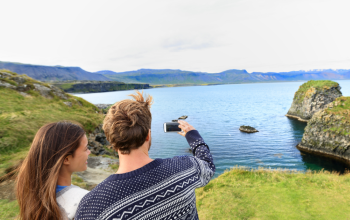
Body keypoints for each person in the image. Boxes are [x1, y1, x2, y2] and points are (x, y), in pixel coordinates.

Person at [75, 91, 215, 220]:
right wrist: (193, 136)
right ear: (148, 135)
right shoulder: (184, 168)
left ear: (111, 141)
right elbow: (207, 164)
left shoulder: (90, 207)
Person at [16, 121, 91, 220]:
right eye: (85, 149)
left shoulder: (32, 194)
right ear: (66, 159)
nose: (89, 152)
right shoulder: (85, 200)